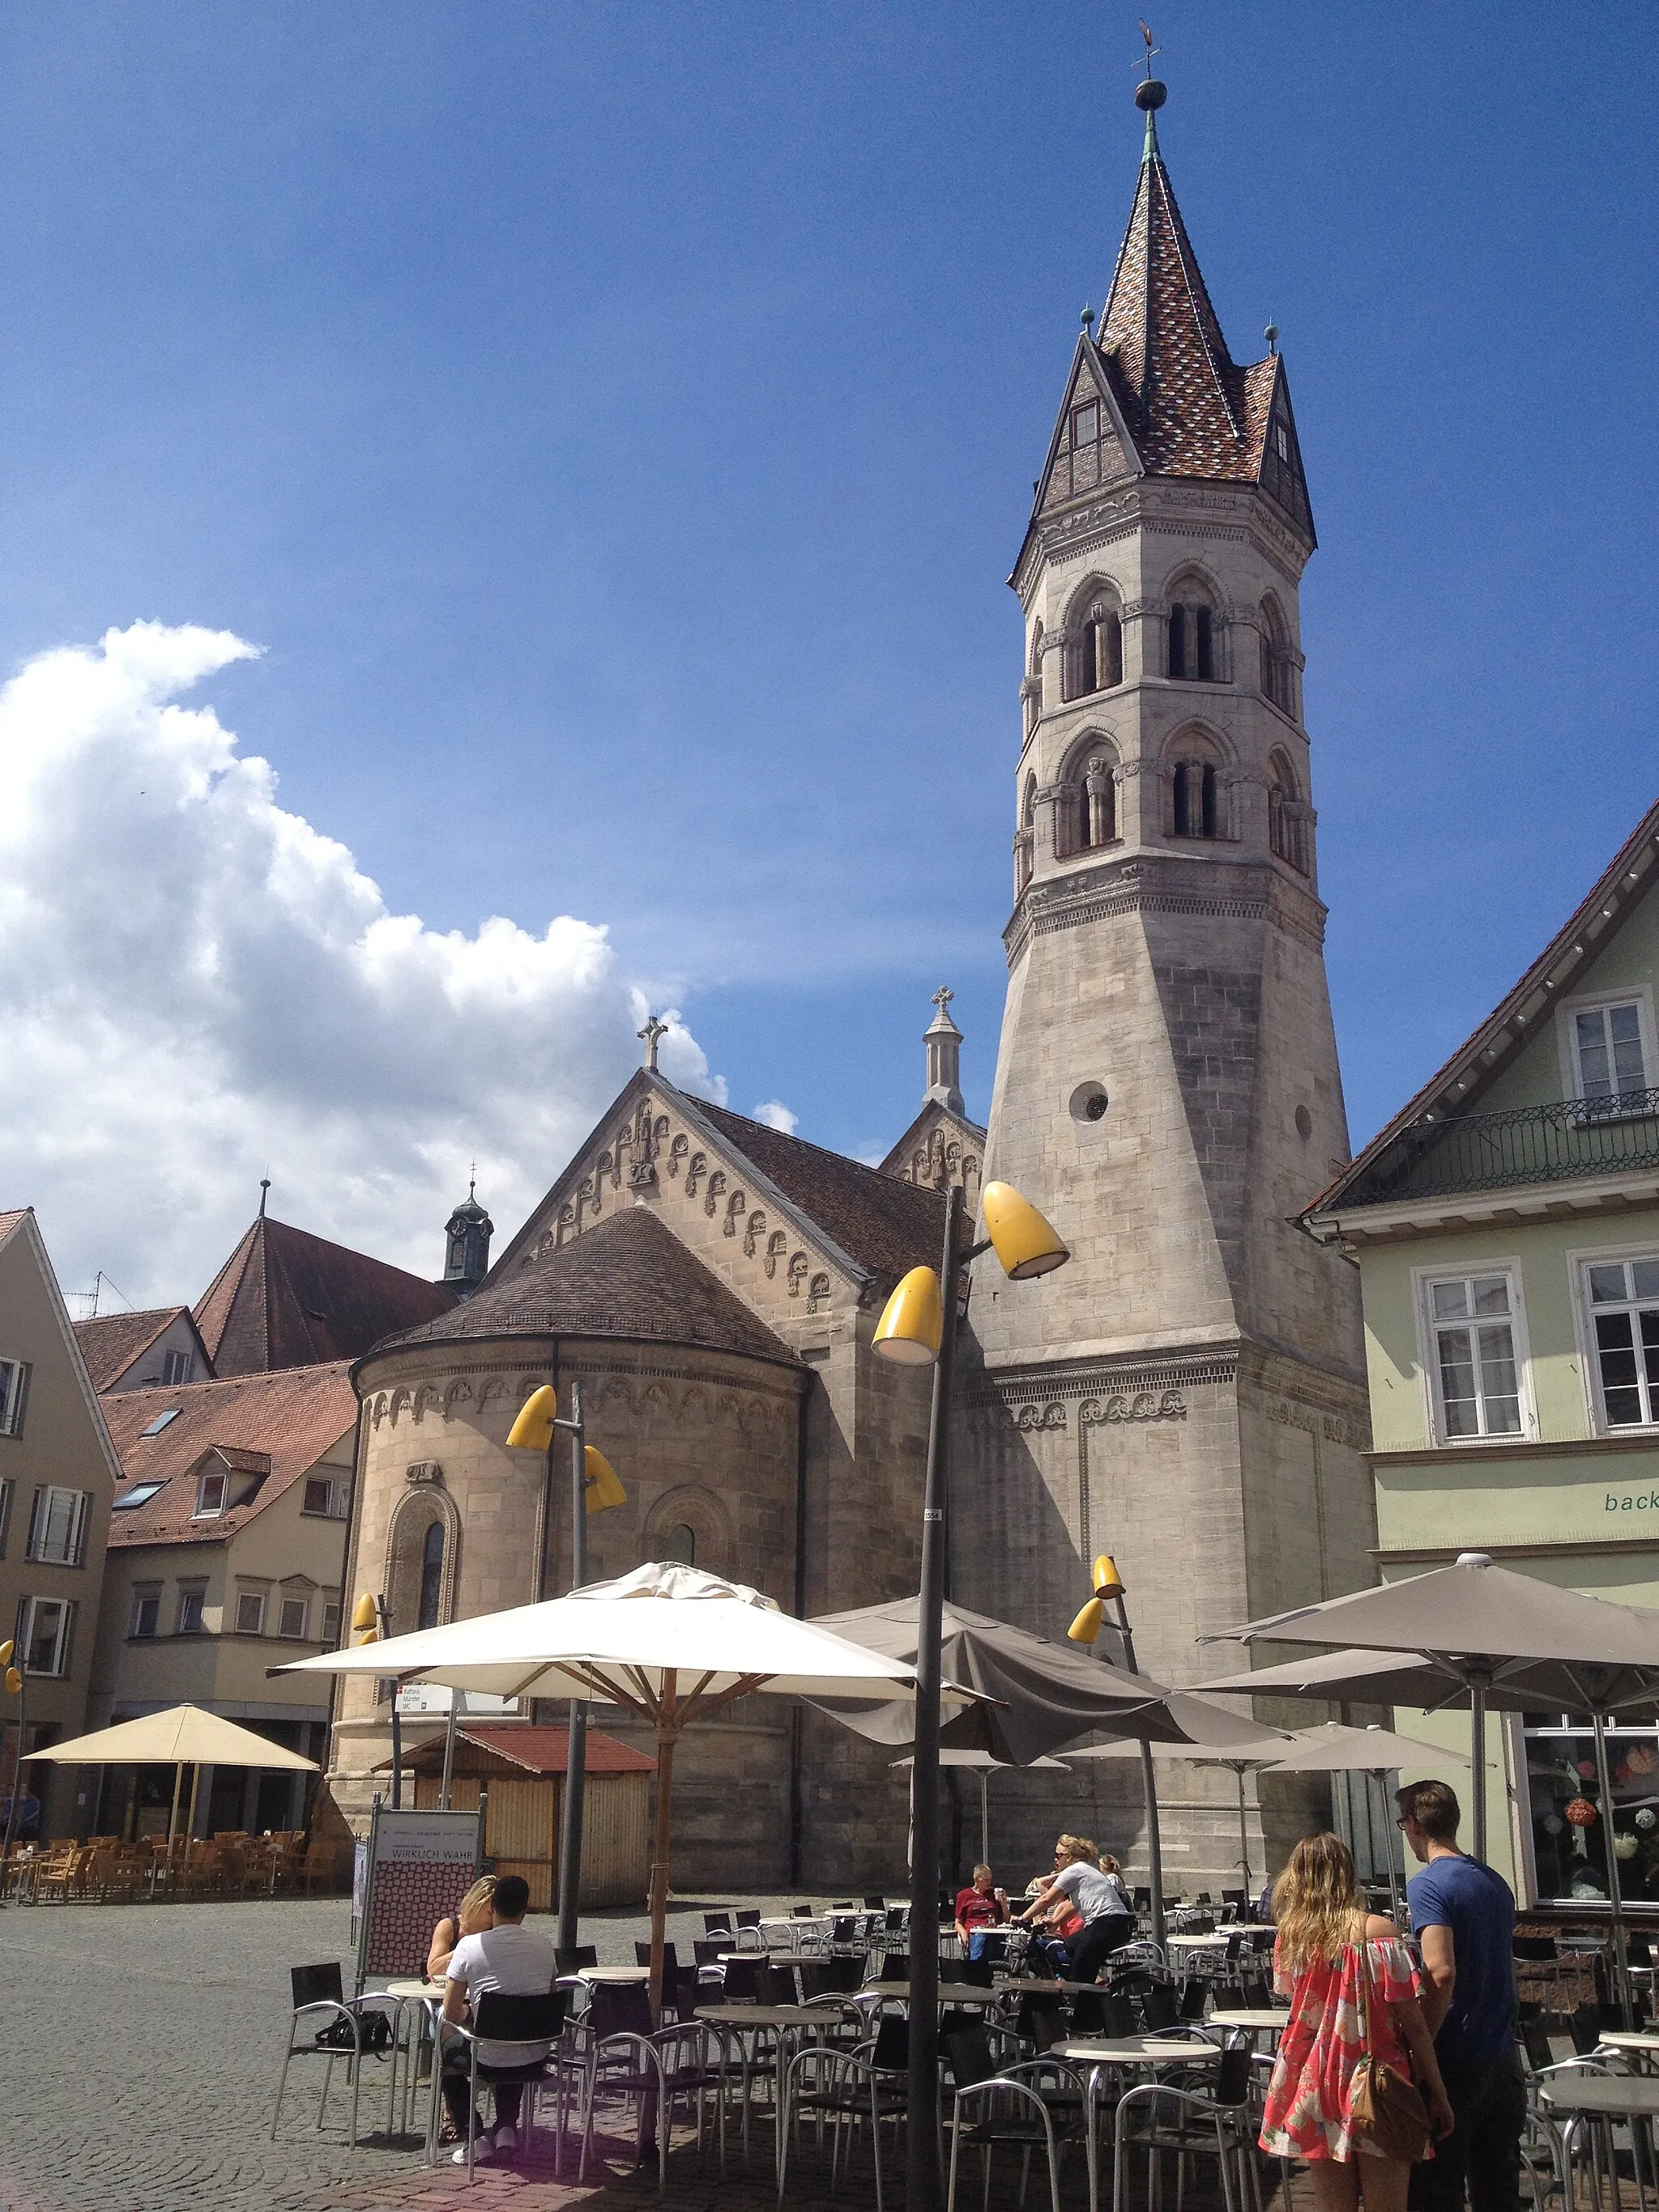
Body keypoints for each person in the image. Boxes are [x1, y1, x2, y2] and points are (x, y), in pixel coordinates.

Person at [1259, 1832, 1452, 2209]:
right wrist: (1438, 2091)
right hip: (1375, 2076)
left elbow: (1294, 1997)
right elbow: (1413, 2024)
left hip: (1313, 2079)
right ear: (1347, 1874)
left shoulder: (1292, 1937)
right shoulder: (1377, 1932)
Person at [1397, 1779, 1526, 2212]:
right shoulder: (1492, 1880)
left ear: (1414, 1824)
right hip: (1503, 2056)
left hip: (1456, 2055)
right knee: (1498, 2185)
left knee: (1436, 2187)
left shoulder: (1428, 1884)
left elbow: (1441, 1970)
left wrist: (1421, 2048)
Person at [440, 1872, 559, 2163]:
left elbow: (451, 2012)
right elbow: (549, 1999)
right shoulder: (545, 1948)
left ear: (491, 1907)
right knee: (514, 2038)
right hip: (535, 2055)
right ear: (525, 1910)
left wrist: (471, 2012)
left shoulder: (469, 1947)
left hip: (489, 2055)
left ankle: (474, 2134)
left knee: (445, 2047)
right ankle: (506, 2127)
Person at [1013, 1834, 1135, 1984]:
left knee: (1080, 1976)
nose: (1056, 1859)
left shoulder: (1073, 1871)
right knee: (1071, 1944)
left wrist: (1022, 1918)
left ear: (1070, 1857)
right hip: (1119, 1925)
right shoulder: (1088, 1869)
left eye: (1058, 1855)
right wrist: (1055, 1921)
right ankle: (1094, 1991)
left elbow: (1047, 1899)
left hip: (1106, 1924)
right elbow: (1073, 1905)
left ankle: (1086, 1998)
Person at [428, 1873, 498, 1982]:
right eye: (490, 1913)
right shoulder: (449, 1926)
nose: (494, 1919)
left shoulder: (495, 1930)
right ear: (475, 1905)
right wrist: (465, 1949)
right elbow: (433, 1969)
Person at [954, 1864, 1010, 1958]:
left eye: (990, 1879)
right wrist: (963, 1933)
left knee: (988, 1939)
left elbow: (1007, 1919)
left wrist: (1003, 1903)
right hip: (974, 1933)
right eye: (986, 1880)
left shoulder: (994, 1893)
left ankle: (976, 1968)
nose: (989, 1883)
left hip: (994, 1933)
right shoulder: (964, 1895)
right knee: (981, 1938)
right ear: (976, 1880)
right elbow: (958, 1922)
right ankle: (977, 1968)